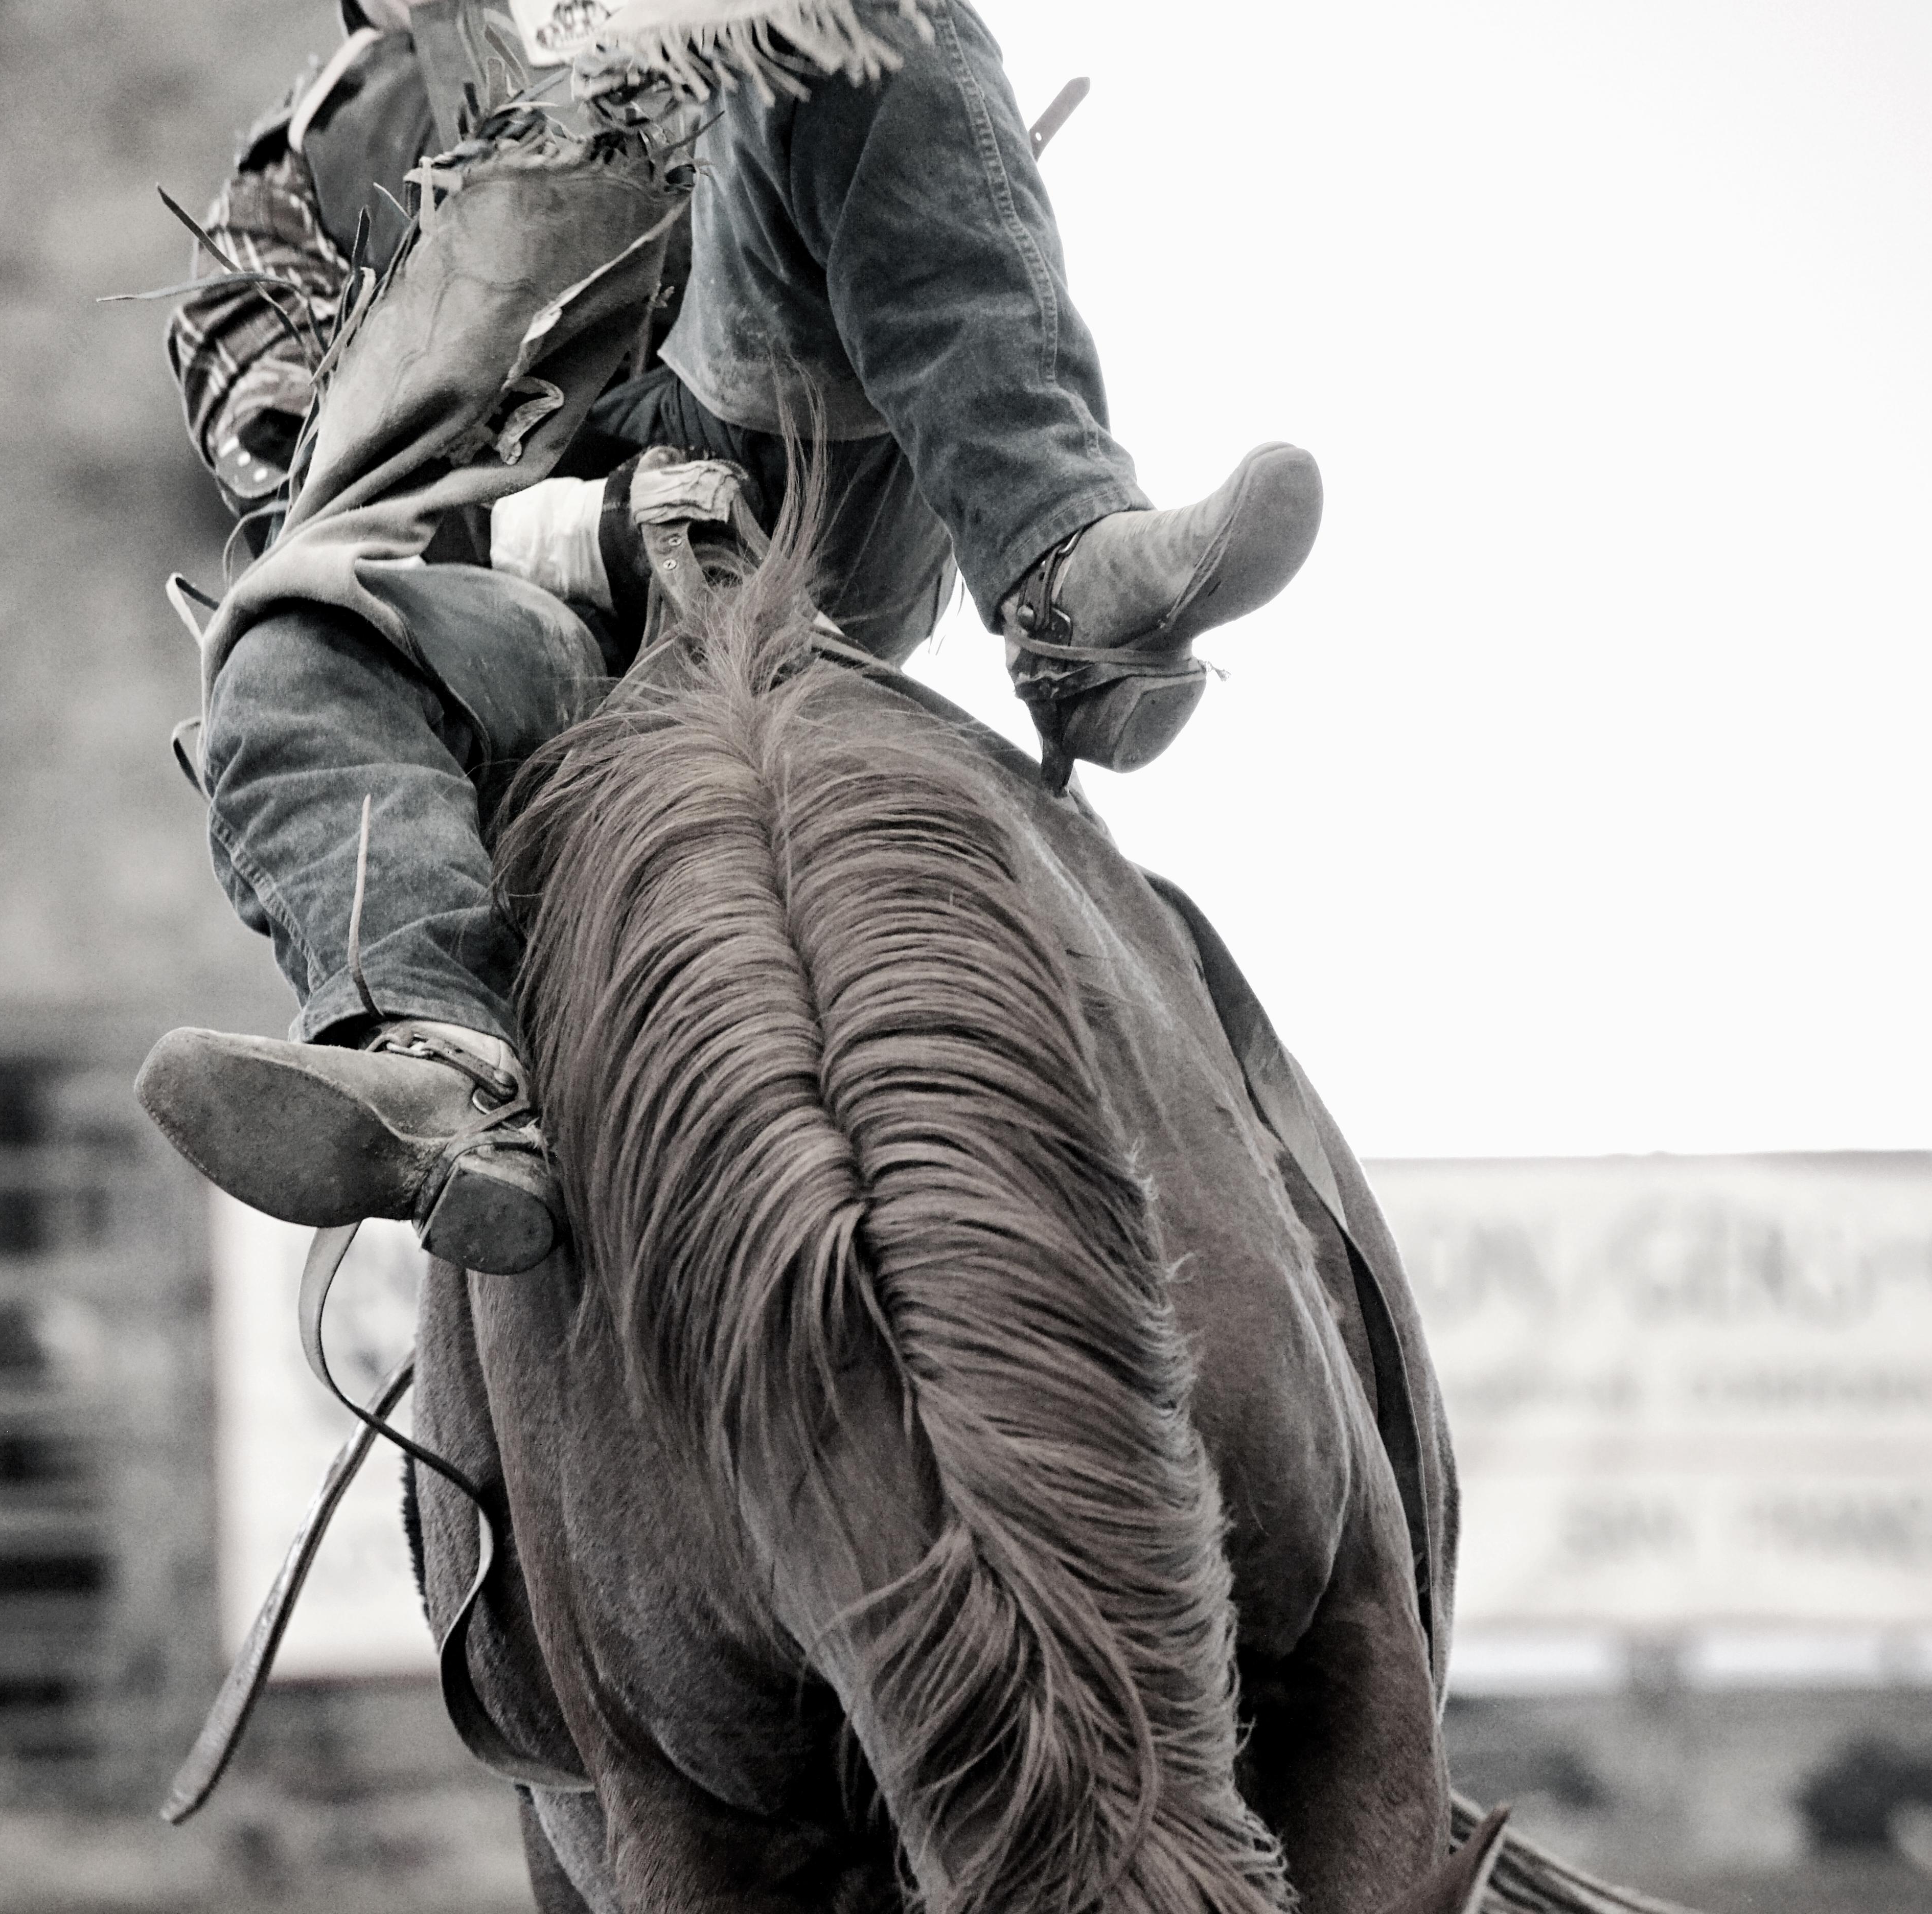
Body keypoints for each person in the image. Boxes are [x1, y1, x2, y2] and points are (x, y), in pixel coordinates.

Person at [135, 0, 1323, 1275]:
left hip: (797, 489)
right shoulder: (283, 200)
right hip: (527, 617)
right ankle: (435, 1061)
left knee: (865, 24)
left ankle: (1063, 566)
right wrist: (597, 527)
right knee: (286, 646)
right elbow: (300, 503)